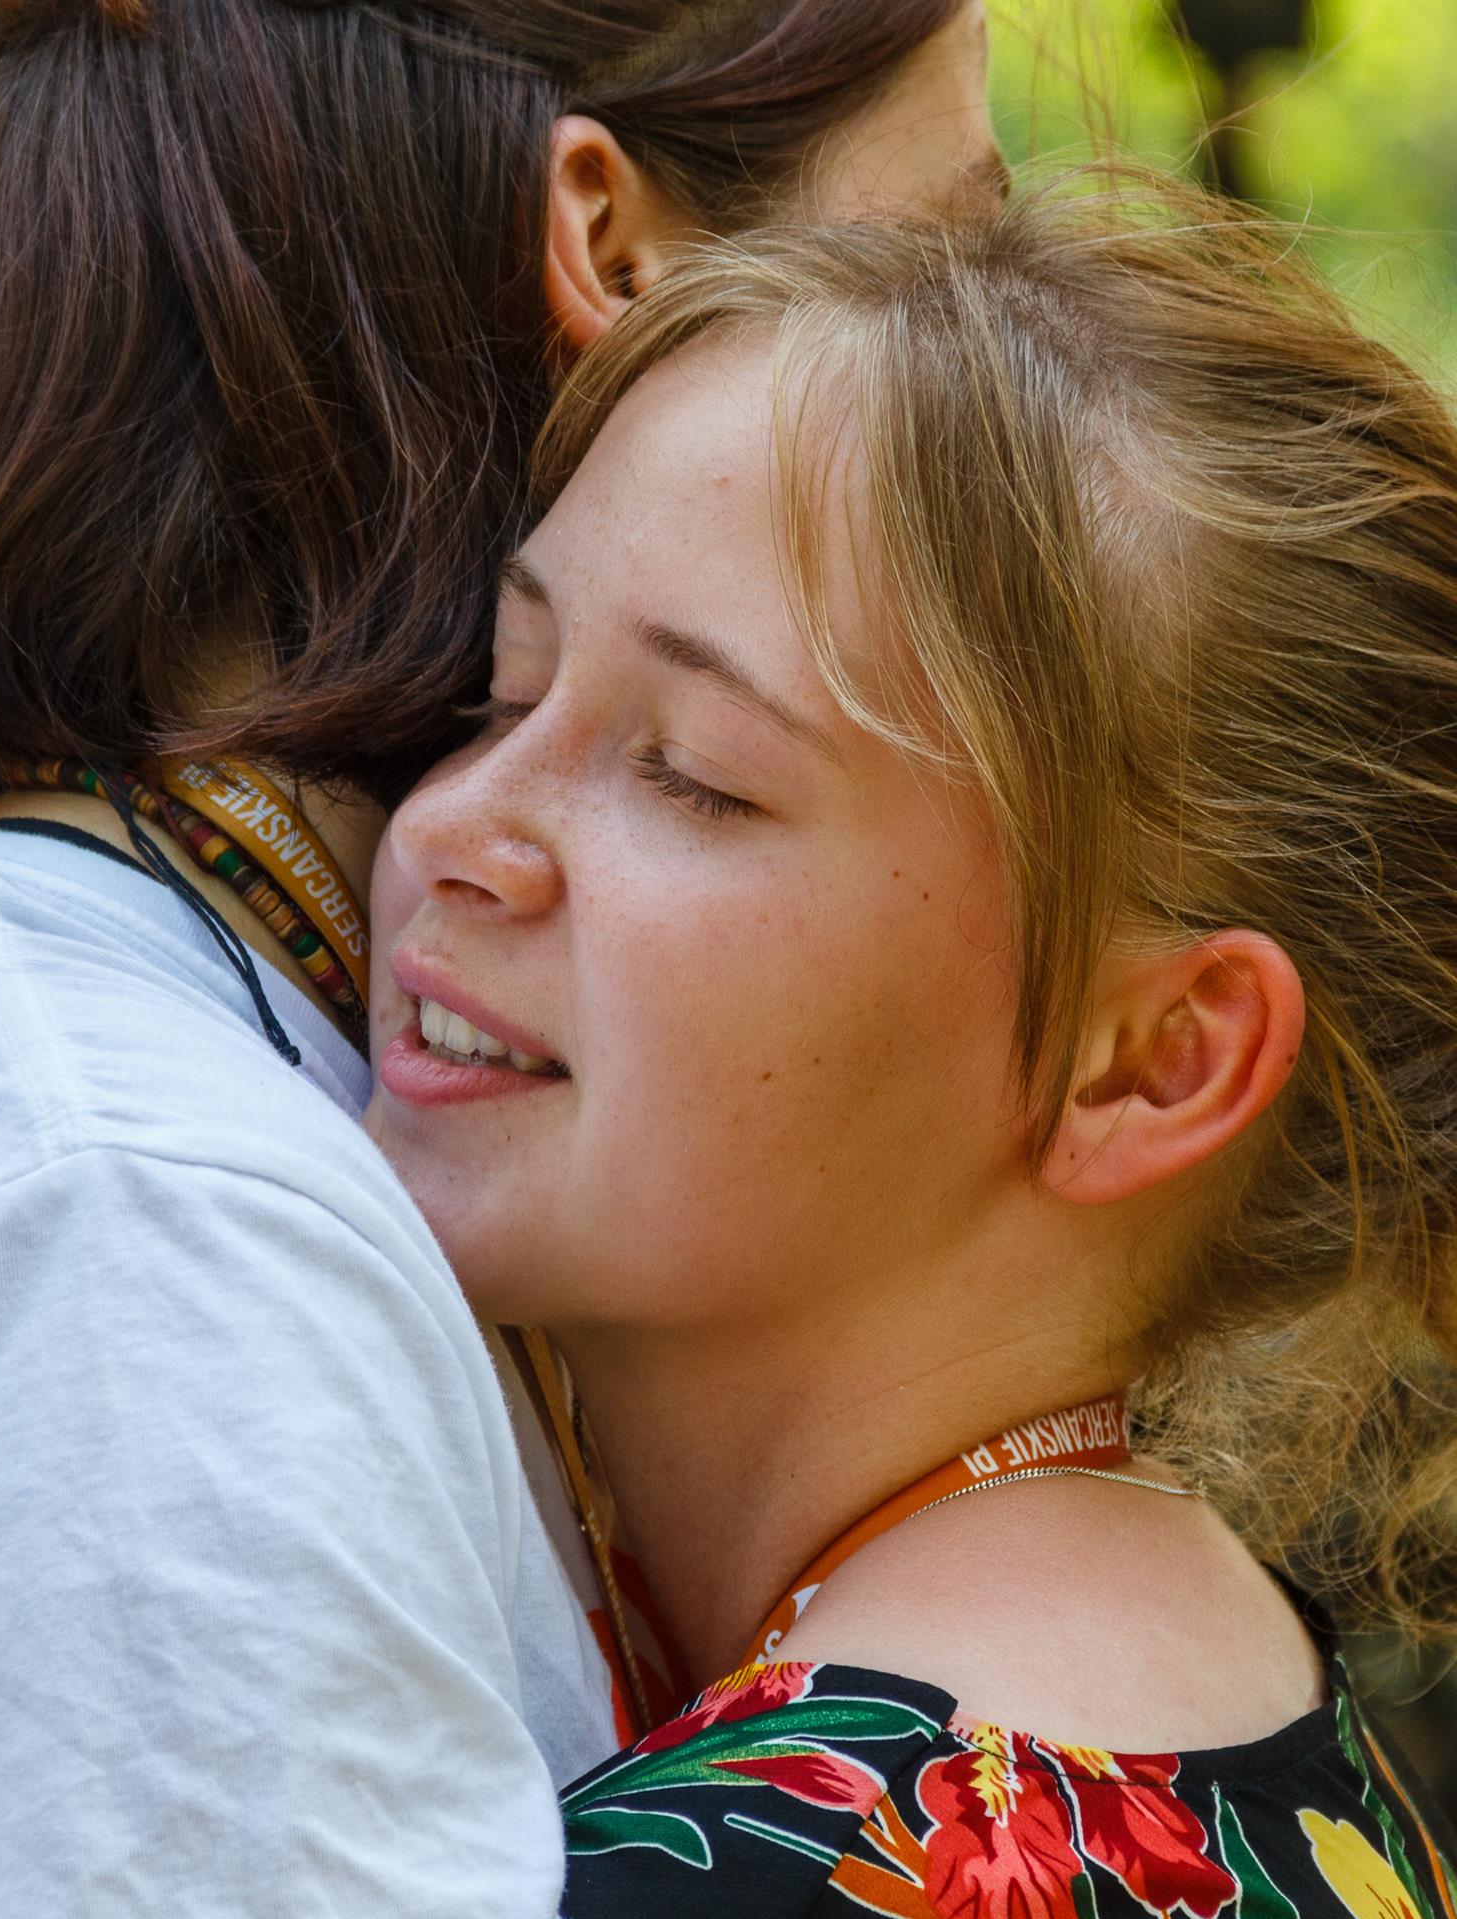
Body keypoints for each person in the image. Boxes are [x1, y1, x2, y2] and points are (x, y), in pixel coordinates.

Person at [0, 0, 1003, 1914]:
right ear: (615, 257)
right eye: (952, 248)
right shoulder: (130, 1247)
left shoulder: (195, 1134)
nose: (1016, 353)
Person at [363, 171, 1457, 1914]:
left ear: (1148, 1061)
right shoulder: (1237, 1711)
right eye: (503, 686)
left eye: (695, 778)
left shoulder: (768, 1875)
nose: (452, 831)